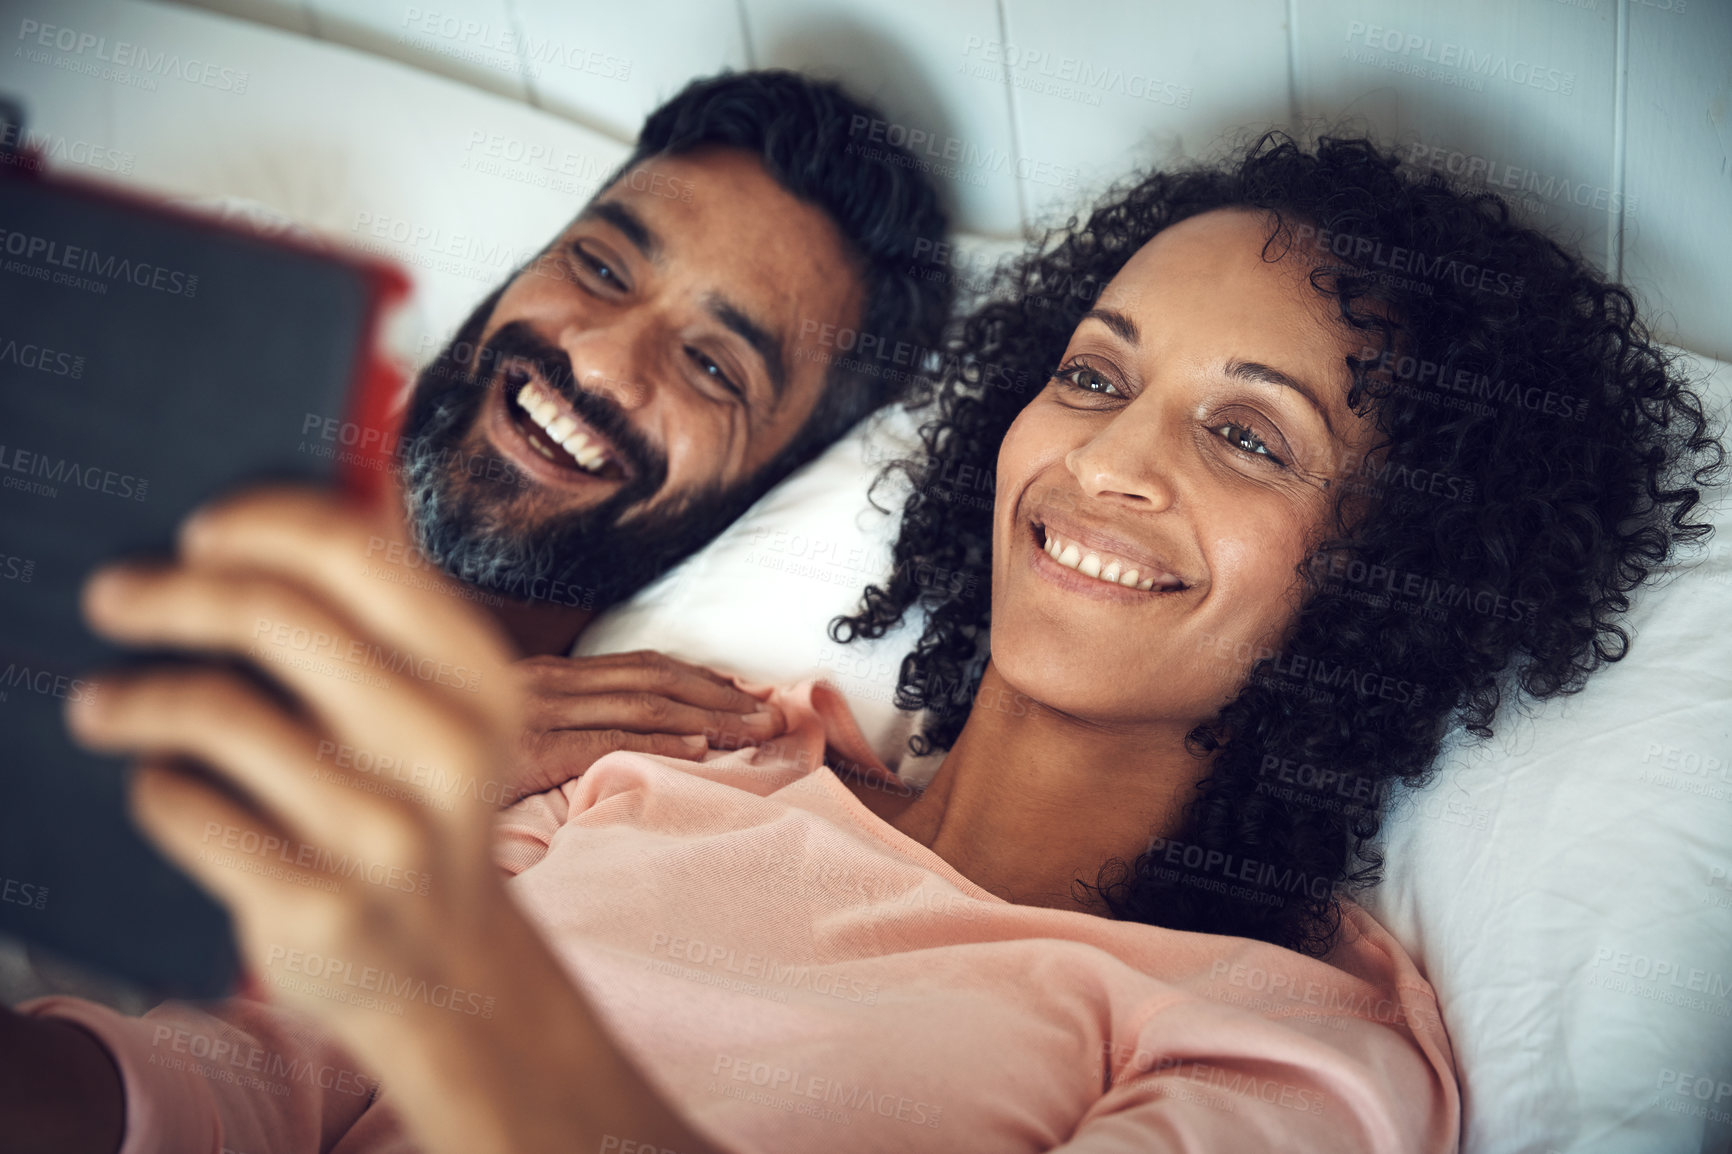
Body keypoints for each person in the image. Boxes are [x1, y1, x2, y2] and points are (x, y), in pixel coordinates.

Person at [2, 133, 1719, 1154]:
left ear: (1403, 568)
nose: (1110, 460)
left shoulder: (1280, 1041)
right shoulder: (670, 760)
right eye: (1096, 375)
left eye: (1246, 436)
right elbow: (245, 1071)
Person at [392, 68, 952, 795]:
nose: (598, 363)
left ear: (775, 478)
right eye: (599, 266)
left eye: (713, 367)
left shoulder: (624, 806)